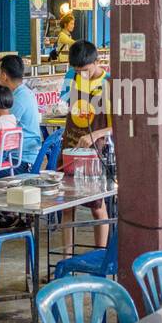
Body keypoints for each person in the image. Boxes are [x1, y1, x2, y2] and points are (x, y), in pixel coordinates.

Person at [62, 40, 111, 248]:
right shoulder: (71, 77)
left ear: (98, 62)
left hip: (95, 153)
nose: (81, 74)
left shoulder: (109, 85)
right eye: (77, 70)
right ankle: (64, 260)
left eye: (85, 70)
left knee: (97, 206)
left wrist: (95, 135)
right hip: (70, 145)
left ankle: (100, 256)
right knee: (65, 206)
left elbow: (119, 125)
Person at [0, 53, 43, 168]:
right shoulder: (23, 92)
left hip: (21, 161)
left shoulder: (19, 98)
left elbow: (1, 128)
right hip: (24, 155)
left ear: (4, 75)